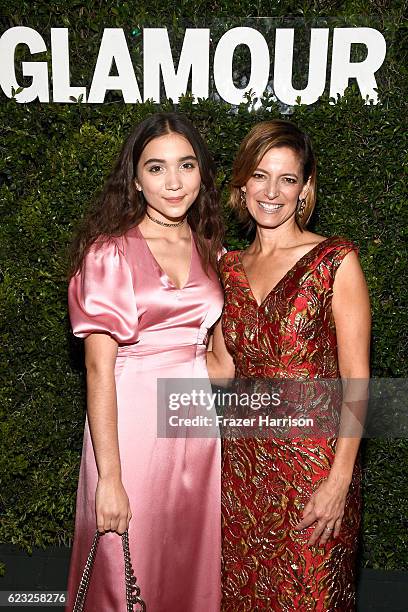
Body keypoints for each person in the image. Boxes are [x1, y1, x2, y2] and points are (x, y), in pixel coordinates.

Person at [208, 119, 371, 610]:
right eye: (260, 175)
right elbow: (220, 367)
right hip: (240, 477)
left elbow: (358, 379)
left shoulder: (336, 261)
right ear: (242, 183)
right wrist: (142, 359)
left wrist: (339, 482)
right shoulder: (227, 268)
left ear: (305, 189)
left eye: (287, 179)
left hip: (314, 472)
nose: (272, 191)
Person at [66, 112, 224, 611]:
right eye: (156, 168)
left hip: (196, 431)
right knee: (123, 565)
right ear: (135, 178)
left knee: (189, 562)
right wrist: (108, 477)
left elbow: (221, 350)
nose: (174, 183)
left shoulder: (208, 247)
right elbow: (98, 369)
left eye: (186, 166)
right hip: (129, 431)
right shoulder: (109, 253)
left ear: (202, 174)